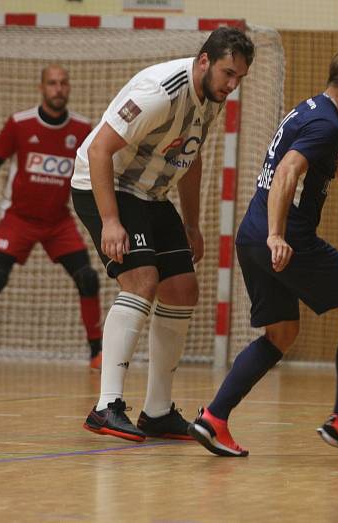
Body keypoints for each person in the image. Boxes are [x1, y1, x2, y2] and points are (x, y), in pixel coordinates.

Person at [188, 46, 338, 457]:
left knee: (281, 333)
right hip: (288, 240)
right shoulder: (326, 124)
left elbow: (320, 157)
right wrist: (279, 236)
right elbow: (288, 170)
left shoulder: (312, 109)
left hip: (251, 236)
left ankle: (214, 418)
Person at [71, 27, 255, 442]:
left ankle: (156, 412)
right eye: (228, 73)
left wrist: (192, 224)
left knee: (183, 288)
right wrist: (111, 221)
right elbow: (100, 150)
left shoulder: (211, 98)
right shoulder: (160, 91)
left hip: (151, 192)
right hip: (105, 183)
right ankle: (106, 406)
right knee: (142, 281)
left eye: (239, 78)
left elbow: (191, 159)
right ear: (204, 61)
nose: (232, 85)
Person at [0, 65, 100, 372]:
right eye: (52, 83)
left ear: (70, 87)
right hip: (19, 218)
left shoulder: (82, 129)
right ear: (41, 87)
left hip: (57, 222)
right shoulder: (19, 124)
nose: (58, 89)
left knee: (87, 278)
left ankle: (97, 353)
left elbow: (95, 171)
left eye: (63, 83)